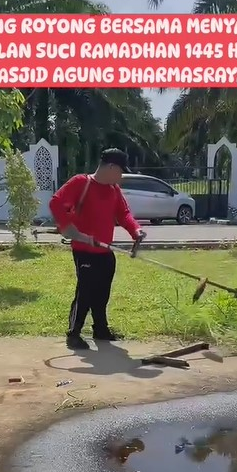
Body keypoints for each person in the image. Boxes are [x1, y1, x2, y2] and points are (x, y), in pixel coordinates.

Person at [49, 148, 146, 351]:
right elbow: (56, 203)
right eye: (120, 171)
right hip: (84, 251)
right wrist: (71, 230)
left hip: (105, 251)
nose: (121, 176)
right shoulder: (80, 183)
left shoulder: (113, 190)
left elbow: (124, 214)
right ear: (111, 167)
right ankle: (73, 334)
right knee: (85, 293)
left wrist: (136, 230)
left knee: (102, 294)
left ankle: (100, 330)